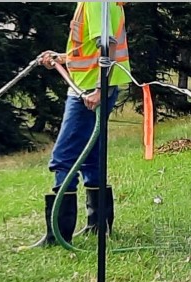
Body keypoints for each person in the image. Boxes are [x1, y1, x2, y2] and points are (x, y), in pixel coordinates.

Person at [37, 2, 132, 245]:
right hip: (91, 86)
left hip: (91, 90)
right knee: (91, 156)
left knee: (64, 158)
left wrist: (100, 88)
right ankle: (98, 226)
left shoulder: (95, 1)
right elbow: (88, 49)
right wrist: (60, 58)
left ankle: (58, 235)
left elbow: (107, 46)